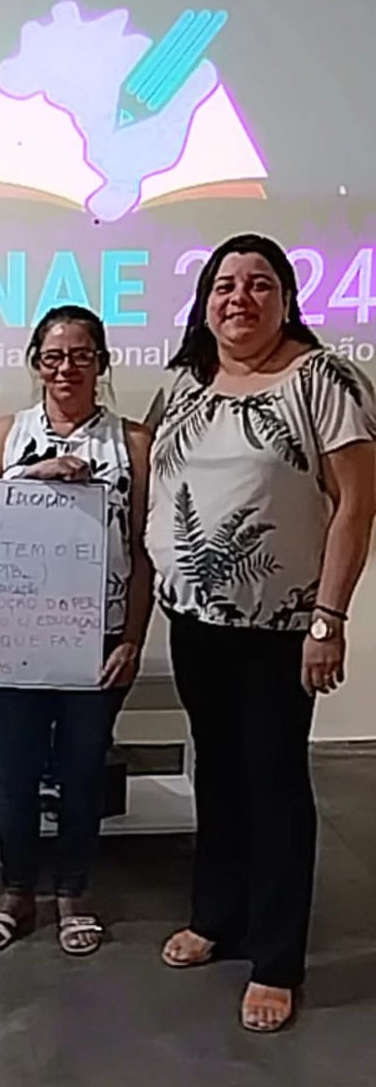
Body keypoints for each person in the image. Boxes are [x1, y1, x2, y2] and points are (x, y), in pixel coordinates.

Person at [146, 233, 376, 1032]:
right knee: (216, 772)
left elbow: (355, 503)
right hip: (194, 621)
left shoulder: (322, 379)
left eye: (258, 284)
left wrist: (328, 618)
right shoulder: (184, 381)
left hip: (280, 628)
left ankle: (276, 959)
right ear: (203, 299)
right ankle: (217, 914)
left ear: (286, 297)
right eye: (223, 284)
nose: (238, 298)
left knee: (273, 782)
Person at [0, 305, 152, 955]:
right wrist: (32, 479)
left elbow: (142, 550)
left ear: (101, 363)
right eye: (52, 356)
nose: (66, 367)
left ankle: (74, 889)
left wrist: (131, 637)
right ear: (35, 363)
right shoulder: (5, 434)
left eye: (80, 355)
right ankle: (16, 889)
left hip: (97, 633)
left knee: (82, 766)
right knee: (13, 769)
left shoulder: (132, 442)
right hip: (17, 634)